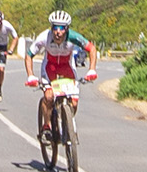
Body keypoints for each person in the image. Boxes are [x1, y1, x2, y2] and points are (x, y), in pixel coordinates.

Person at [23, 9, 100, 146]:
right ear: (51, 28)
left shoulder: (73, 37)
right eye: (55, 27)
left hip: (67, 67)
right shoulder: (44, 37)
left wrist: (91, 70)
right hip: (50, 68)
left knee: (74, 102)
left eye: (62, 28)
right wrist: (30, 76)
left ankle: (67, 122)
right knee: (48, 96)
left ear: (67, 29)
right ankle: (47, 127)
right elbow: (29, 55)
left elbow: (92, 49)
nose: (58, 32)